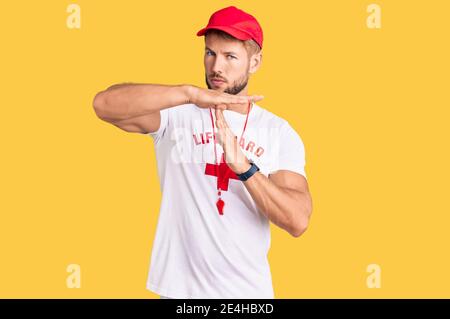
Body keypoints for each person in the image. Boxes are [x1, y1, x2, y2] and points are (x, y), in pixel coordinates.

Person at [93, 6, 313, 299]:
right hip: (179, 295)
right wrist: (187, 93)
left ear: (255, 62)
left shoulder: (279, 132)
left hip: (248, 297)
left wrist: (244, 168)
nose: (216, 67)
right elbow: (104, 105)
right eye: (210, 53)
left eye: (230, 56)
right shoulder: (177, 114)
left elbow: (297, 220)